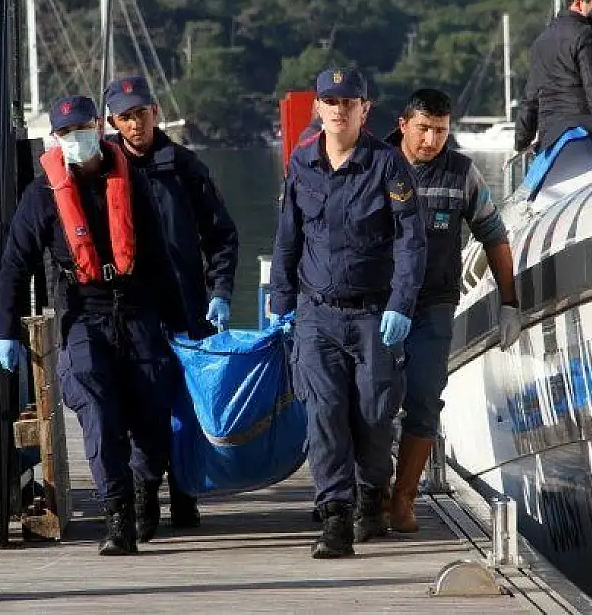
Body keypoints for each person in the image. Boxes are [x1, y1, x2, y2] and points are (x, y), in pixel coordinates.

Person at [0, 95, 185, 556]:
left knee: (153, 413)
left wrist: (181, 324)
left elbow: (159, 256)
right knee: (97, 411)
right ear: (55, 140)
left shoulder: (131, 181)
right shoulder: (41, 195)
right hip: (83, 314)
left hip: (138, 310)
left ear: (97, 128)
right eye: (64, 133)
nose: (74, 139)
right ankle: (118, 515)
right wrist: (3, 330)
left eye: (81, 129)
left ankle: (143, 488)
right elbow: (15, 265)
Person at [270, 68, 426, 559]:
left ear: (366, 108)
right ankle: (335, 517)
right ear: (318, 107)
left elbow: (411, 241)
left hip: (374, 315)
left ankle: (369, 495)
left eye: (349, 101)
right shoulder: (302, 163)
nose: (339, 109)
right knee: (324, 415)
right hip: (317, 314)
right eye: (330, 100)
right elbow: (288, 236)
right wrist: (281, 301)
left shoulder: (387, 165)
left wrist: (401, 304)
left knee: (375, 414)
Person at [103, 74, 240, 540]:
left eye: (141, 112)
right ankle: (143, 501)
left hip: (187, 306)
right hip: (129, 311)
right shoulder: (102, 168)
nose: (135, 123)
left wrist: (221, 290)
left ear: (155, 112)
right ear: (111, 122)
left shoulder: (185, 167)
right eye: (125, 116)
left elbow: (221, 235)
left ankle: (185, 493)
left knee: (189, 407)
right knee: (141, 407)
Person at [385, 88, 521, 533]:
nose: (431, 140)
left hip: (434, 304)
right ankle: (363, 493)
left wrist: (510, 304)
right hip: (377, 303)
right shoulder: (374, 164)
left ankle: (402, 498)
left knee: (424, 398)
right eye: (423, 129)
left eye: (441, 131)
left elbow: (494, 236)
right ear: (404, 124)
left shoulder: (462, 173)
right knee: (369, 400)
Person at [514, 0, 592, 154]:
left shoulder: (540, 41)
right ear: (578, 2)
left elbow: (530, 99)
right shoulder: (585, 34)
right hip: (579, 133)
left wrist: (521, 141)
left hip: (549, 136)